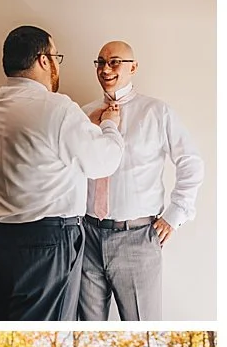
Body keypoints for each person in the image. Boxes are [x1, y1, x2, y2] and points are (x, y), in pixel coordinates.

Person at [0, 26, 123, 320]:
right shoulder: (57, 108)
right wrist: (110, 126)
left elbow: (34, 147)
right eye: (56, 57)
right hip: (45, 245)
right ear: (44, 60)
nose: (56, 65)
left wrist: (79, 125)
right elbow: (103, 162)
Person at [77, 41, 205, 321]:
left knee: (141, 324)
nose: (105, 69)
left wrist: (175, 215)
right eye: (100, 62)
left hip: (136, 238)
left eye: (114, 62)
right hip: (86, 237)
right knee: (87, 328)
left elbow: (191, 162)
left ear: (133, 67)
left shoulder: (157, 112)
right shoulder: (83, 115)